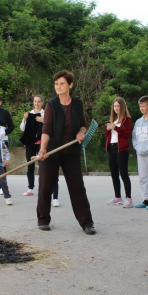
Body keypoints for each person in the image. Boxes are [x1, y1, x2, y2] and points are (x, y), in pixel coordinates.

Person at [36, 70, 96, 235]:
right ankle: (43, 220)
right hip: (52, 150)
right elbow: (46, 128)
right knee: (45, 185)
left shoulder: (77, 104)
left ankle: (87, 223)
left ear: (70, 85)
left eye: (62, 83)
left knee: (77, 187)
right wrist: (43, 148)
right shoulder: (51, 105)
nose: (58, 86)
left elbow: (83, 124)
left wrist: (81, 133)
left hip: (71, 151)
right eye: (56, 84)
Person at [20, 95, 59, 206]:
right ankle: (30, 188)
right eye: (35, 101)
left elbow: (51, 127)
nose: (36, 103)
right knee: (30, 165)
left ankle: (46, 188)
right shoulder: (29, 114)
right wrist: (25, 119)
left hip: (42, 144)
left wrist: (43, 120)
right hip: (30, 143)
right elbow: (22, 128)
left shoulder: (45, 114)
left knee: (44, 166)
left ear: (42, 102)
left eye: (38, 102)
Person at [105, 97, 133, 208]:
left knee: (124, 174)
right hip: (111, 148)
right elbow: (108, 135)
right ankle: (117, 197)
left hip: (121, 149)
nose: (116, 108)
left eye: (118, 106)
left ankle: (129, 198)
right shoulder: (113, 119)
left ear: (122, 107)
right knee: (114, 174)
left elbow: (126, 134)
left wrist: (115, 127)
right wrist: (108, 127)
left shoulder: (127, 119)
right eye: (115, 106)